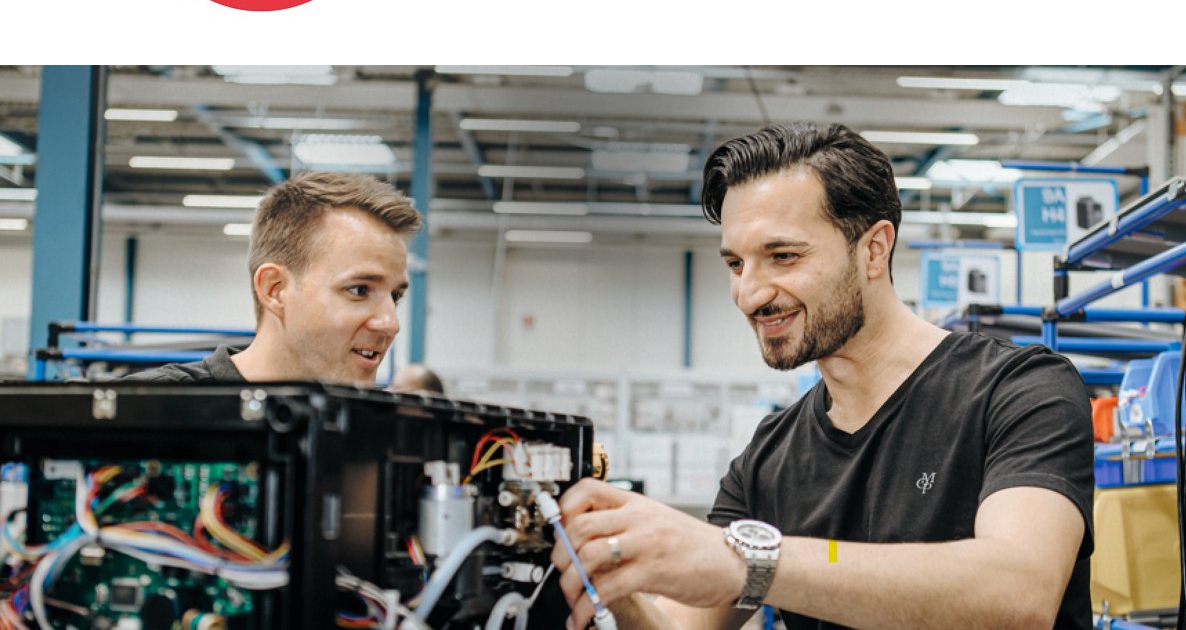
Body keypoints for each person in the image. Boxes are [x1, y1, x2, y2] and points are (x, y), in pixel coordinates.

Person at [552, 123, 1094, 630]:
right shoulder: (770, 458)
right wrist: (609, 567)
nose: (749, 293)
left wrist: (749, 561)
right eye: (735, 264)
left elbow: (1020, 593)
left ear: (873, 249)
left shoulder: (1019, 390)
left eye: (782, 256)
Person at [126, 171, 422, 384]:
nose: (390, 324)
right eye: (360, 289)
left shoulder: (382, 437)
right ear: (275, 289)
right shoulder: (146, 410)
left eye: (395, 296)